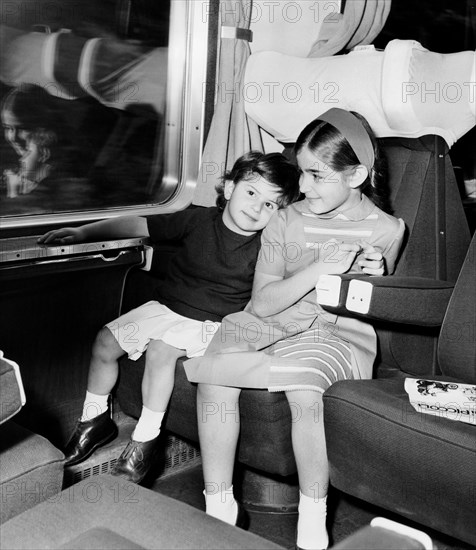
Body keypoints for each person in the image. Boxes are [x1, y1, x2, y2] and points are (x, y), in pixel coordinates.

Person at [184, 108, 405, 548]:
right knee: (213, 374)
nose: (300, 186)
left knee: (305, 390)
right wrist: (320, 268)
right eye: (300, 173)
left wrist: (374, 279)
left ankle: (312, 523)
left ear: (356, 175)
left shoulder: (387, 229)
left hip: (335, 331)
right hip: (269, 322)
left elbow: (377, 308)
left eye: (315, 175)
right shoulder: (286, 219)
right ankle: (219, 505)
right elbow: (263, 303)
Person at [38, 151, 301, 484]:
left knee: (162, 350)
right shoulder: (198, 220)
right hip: (165, 308)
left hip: (211, 324)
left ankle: (144, 442)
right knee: (105, 341)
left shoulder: (267, 248)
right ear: (230, 188)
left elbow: (286, 281)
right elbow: (139, 224)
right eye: (252, 193)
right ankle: (95, 421)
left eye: (270, 205)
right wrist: (84, 232)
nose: (257, 207)